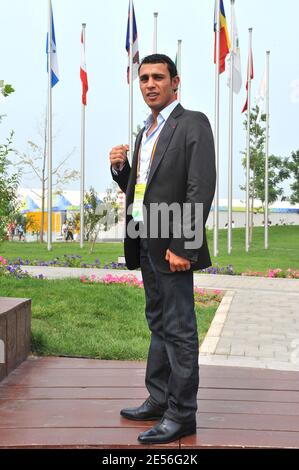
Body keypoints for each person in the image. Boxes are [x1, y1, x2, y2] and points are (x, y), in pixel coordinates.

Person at [109, 54, 216, 445]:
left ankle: (182, 414)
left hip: (173, 246)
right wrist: (122, 171)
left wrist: (184, 244)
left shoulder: (193, 123)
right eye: (144, 78)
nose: (150, 84)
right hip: (145, 241)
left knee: (179, 329)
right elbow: (143, 190)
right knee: (158, 323)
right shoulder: (146, 132)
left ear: (176, 81)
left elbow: (199, 186)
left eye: (158, 77)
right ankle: (158, 398)